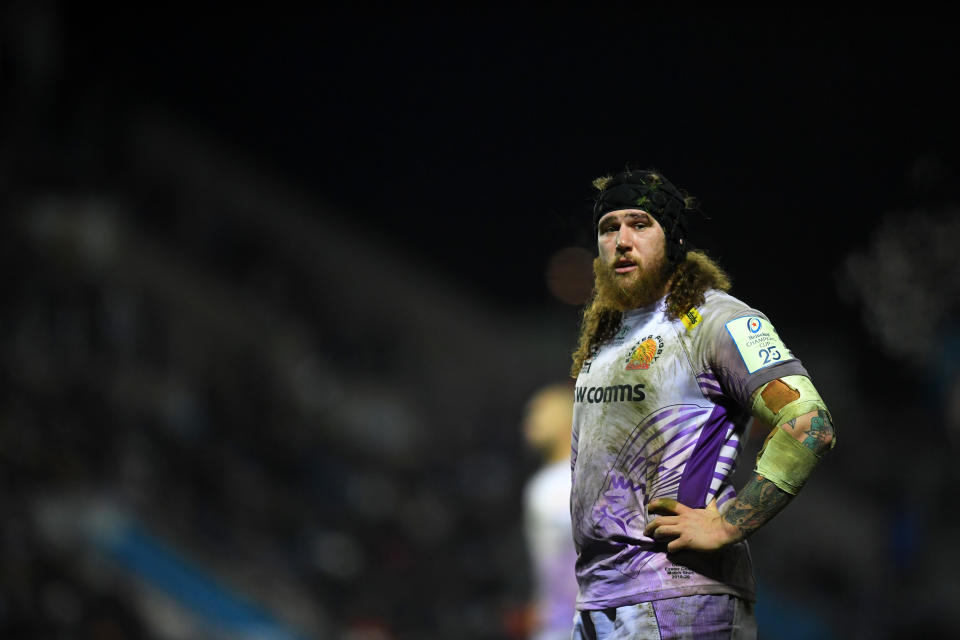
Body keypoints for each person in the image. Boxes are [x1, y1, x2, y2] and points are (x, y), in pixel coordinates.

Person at [567, 167, 836, 639]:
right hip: (598, 600)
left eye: (639, 223)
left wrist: (727, 523)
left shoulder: (719, 321)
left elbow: (809, 422)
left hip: (682, 599)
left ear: (671, 238)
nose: (621, 240)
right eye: (609, 228)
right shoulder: (605, 338)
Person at [521, 382, 580, 640]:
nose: (530, 420)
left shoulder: (580, 478)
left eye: (540, 411)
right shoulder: (542, 484)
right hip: (555, 624)